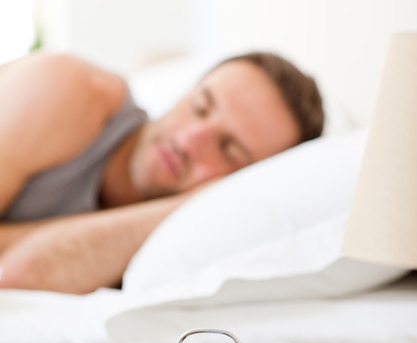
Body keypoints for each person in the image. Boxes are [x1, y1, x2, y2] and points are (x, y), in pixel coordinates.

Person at [0, 50, 324, 293]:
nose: (187, 141)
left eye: (229, 150)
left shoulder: (185, 246)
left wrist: (183, 207)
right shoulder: (65, 87)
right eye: (200, 106)